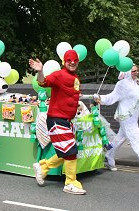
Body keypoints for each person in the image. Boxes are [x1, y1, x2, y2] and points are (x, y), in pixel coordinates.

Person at [29, 50, 86, 195]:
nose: (72, 63)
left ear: (78, 62)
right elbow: (43, 82)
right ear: (64, 62)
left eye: (75, 61)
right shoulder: (59, 74)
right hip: (56, 119)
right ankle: (70, 182)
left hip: (66, 121)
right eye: (69, 61)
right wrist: (40, 71)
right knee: (70, 151)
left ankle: (43, 168)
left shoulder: (75, 78)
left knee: (66, 151)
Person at [91, 65, 139, 175]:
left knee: (119, 138)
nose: (136, 73)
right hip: (125, 117)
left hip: (133, 118)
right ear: (128, 72)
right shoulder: (122, 84)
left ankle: (108, 155)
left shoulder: (137, 83)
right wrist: (100, 98)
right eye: (134, 71)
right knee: (136, 139)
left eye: (137, 70)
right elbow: (112, 97)